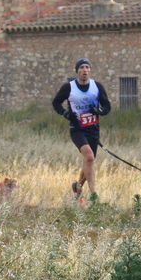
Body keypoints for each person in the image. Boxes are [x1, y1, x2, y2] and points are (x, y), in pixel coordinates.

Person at [52, 58, 111, 202]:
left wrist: (98, 111)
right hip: (77, 129)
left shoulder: (97, 86)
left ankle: (78, 188)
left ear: (90, 70)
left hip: (93, 130)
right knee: (89, 157)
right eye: (81, 67)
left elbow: (107, 107)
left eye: (87, 67)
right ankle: (93, 195)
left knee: (88, 161)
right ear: (77, 71)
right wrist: (65, 113)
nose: (84, 70)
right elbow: (56, 103)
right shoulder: (69, 87)